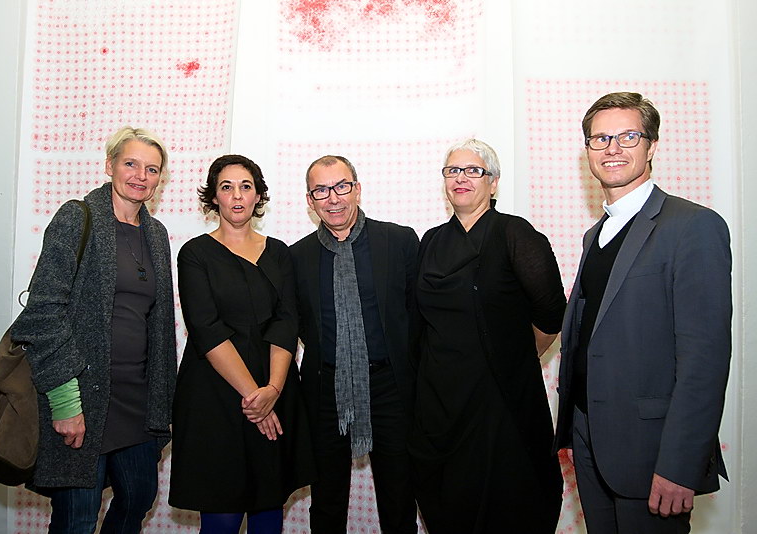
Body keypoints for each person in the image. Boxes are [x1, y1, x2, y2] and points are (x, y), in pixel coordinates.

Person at [553, 92, 732, 533]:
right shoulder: (595, 235)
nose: (612, 148)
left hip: (653, 454)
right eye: (600, 139)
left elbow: (705, 360)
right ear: (588, 151)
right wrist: (576, 429)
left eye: (628, 136)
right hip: (591, 441)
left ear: (651, 146)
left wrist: (681, 465)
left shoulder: (692, 226)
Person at [10, 127, 177, 533]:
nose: (140, 175)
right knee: (78, 519)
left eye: (151, 168)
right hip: (82, 398)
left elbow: (159, 324)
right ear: (110, 166)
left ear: (160, 178)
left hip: (137, 403)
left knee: (137, 501)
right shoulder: (77, 217)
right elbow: (43, 313)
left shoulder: (156, 234)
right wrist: (65, 402)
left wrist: (162, 403)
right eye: (130, 163)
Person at [409, 139, 566, 533]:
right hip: (440, 404)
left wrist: (514, 357)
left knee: (507, 506)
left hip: (500, 402)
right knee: (448, 506)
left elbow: (552, 314)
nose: (461, 178)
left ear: (493, 183)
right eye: (453, 171)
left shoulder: (514, 234)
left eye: (473, 170)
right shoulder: (431, 241)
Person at [169, 155, 315, 533]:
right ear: (213, 197)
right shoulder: (195, 254)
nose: (237, 195)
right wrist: (256, 400)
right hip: (215, 397)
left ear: (258, 196)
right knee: (222, 513)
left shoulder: (279, 252)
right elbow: (206, 328)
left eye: (245, 187)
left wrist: (273, 391)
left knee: (269, 508)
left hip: (274, 388)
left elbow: (287, 321)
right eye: (227, 187)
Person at [289, 155, 419, 534]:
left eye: (341, 186)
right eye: (321, 190)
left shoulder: (399, 241)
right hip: (325, 390)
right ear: (310, 200)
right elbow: (299, 324)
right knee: (327, 502)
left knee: (399, 498)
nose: (333, 198)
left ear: (357, 189)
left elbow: (416, 316)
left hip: (391, 388)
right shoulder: (295, 256)